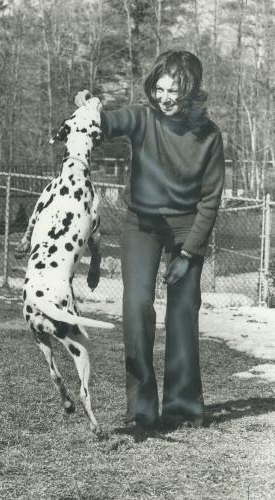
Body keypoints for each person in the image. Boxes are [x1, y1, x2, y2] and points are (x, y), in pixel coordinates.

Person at [75, 50, 225, 431]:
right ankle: (141, 407)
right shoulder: (143, 118)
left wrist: (189, 253)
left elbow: (210, 200)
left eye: (173, 89)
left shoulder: (209, 136)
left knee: (183, 311)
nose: (164, 97)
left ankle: (182, 405)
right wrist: (92, 110)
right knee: (137, 305)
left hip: (186, 225)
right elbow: (109, 123)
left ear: (190, 90)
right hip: (141, 223)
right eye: (159, 88)